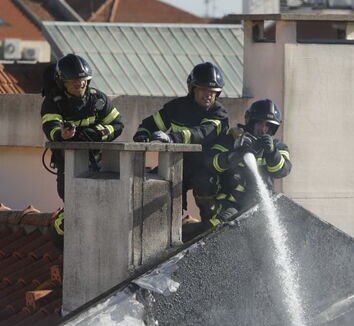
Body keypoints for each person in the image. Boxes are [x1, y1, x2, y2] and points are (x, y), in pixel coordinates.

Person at [41, 54, 123, 243]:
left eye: (83, 81)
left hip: (97, 161)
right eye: (74, 82)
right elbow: (50, 126)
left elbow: (118, 125)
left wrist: (99, 133)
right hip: (67, 162)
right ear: (63, 83)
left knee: (99, 204)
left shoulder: (98, 99)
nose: (80, 85)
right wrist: (62, 135)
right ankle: (61, 235)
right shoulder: (54, 101)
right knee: (73, 202)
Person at [133, 61, 229, 218]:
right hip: (180, 164)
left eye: (213, 91)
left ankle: (211, 227)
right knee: (156, 184)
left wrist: (172, 138)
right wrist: (142, 135)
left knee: (204, 183)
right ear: (193, 88)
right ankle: (169, 229)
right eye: (204, 89)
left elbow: (201, 133)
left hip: (209, 167)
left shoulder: (219, 114)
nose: (208, 94)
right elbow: (151, 124)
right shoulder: (177, 107)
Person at [200, 99, 291, 230]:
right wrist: (234, 155)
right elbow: (211, 164)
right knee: (219, 229)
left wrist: (272, 153)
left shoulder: (278, 147)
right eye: (260, 123)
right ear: (250, 121)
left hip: (260, 203)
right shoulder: (231, 140)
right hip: (230, 202)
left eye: (268, 125)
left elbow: (283, 171)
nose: (263, 129)